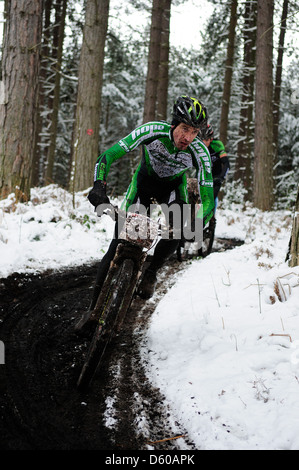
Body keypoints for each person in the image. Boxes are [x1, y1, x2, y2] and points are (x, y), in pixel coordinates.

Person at [75, 96, 214, 331]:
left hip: (172, 189)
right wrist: (99, 185)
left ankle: (151, 272)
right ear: (174, 124)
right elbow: (108, 156)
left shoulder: (199, 152)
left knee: (178, 226)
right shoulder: (152, 131)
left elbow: (208, 198)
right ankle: (92, 309)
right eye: (184, 129)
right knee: (118, 243)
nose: (188, 137)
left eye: (194, 132)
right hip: (144, 184)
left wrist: (198, 222)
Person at [200, 124, 230, 202]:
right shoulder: (197, 145)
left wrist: (221, 177)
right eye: (201, 140)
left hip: (216, 176)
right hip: (203, 175)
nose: (203, 143)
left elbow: (226, 164)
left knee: (211, 199)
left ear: (211, 139)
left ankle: (212, 212)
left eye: (206, 140)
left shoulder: (217, 145)